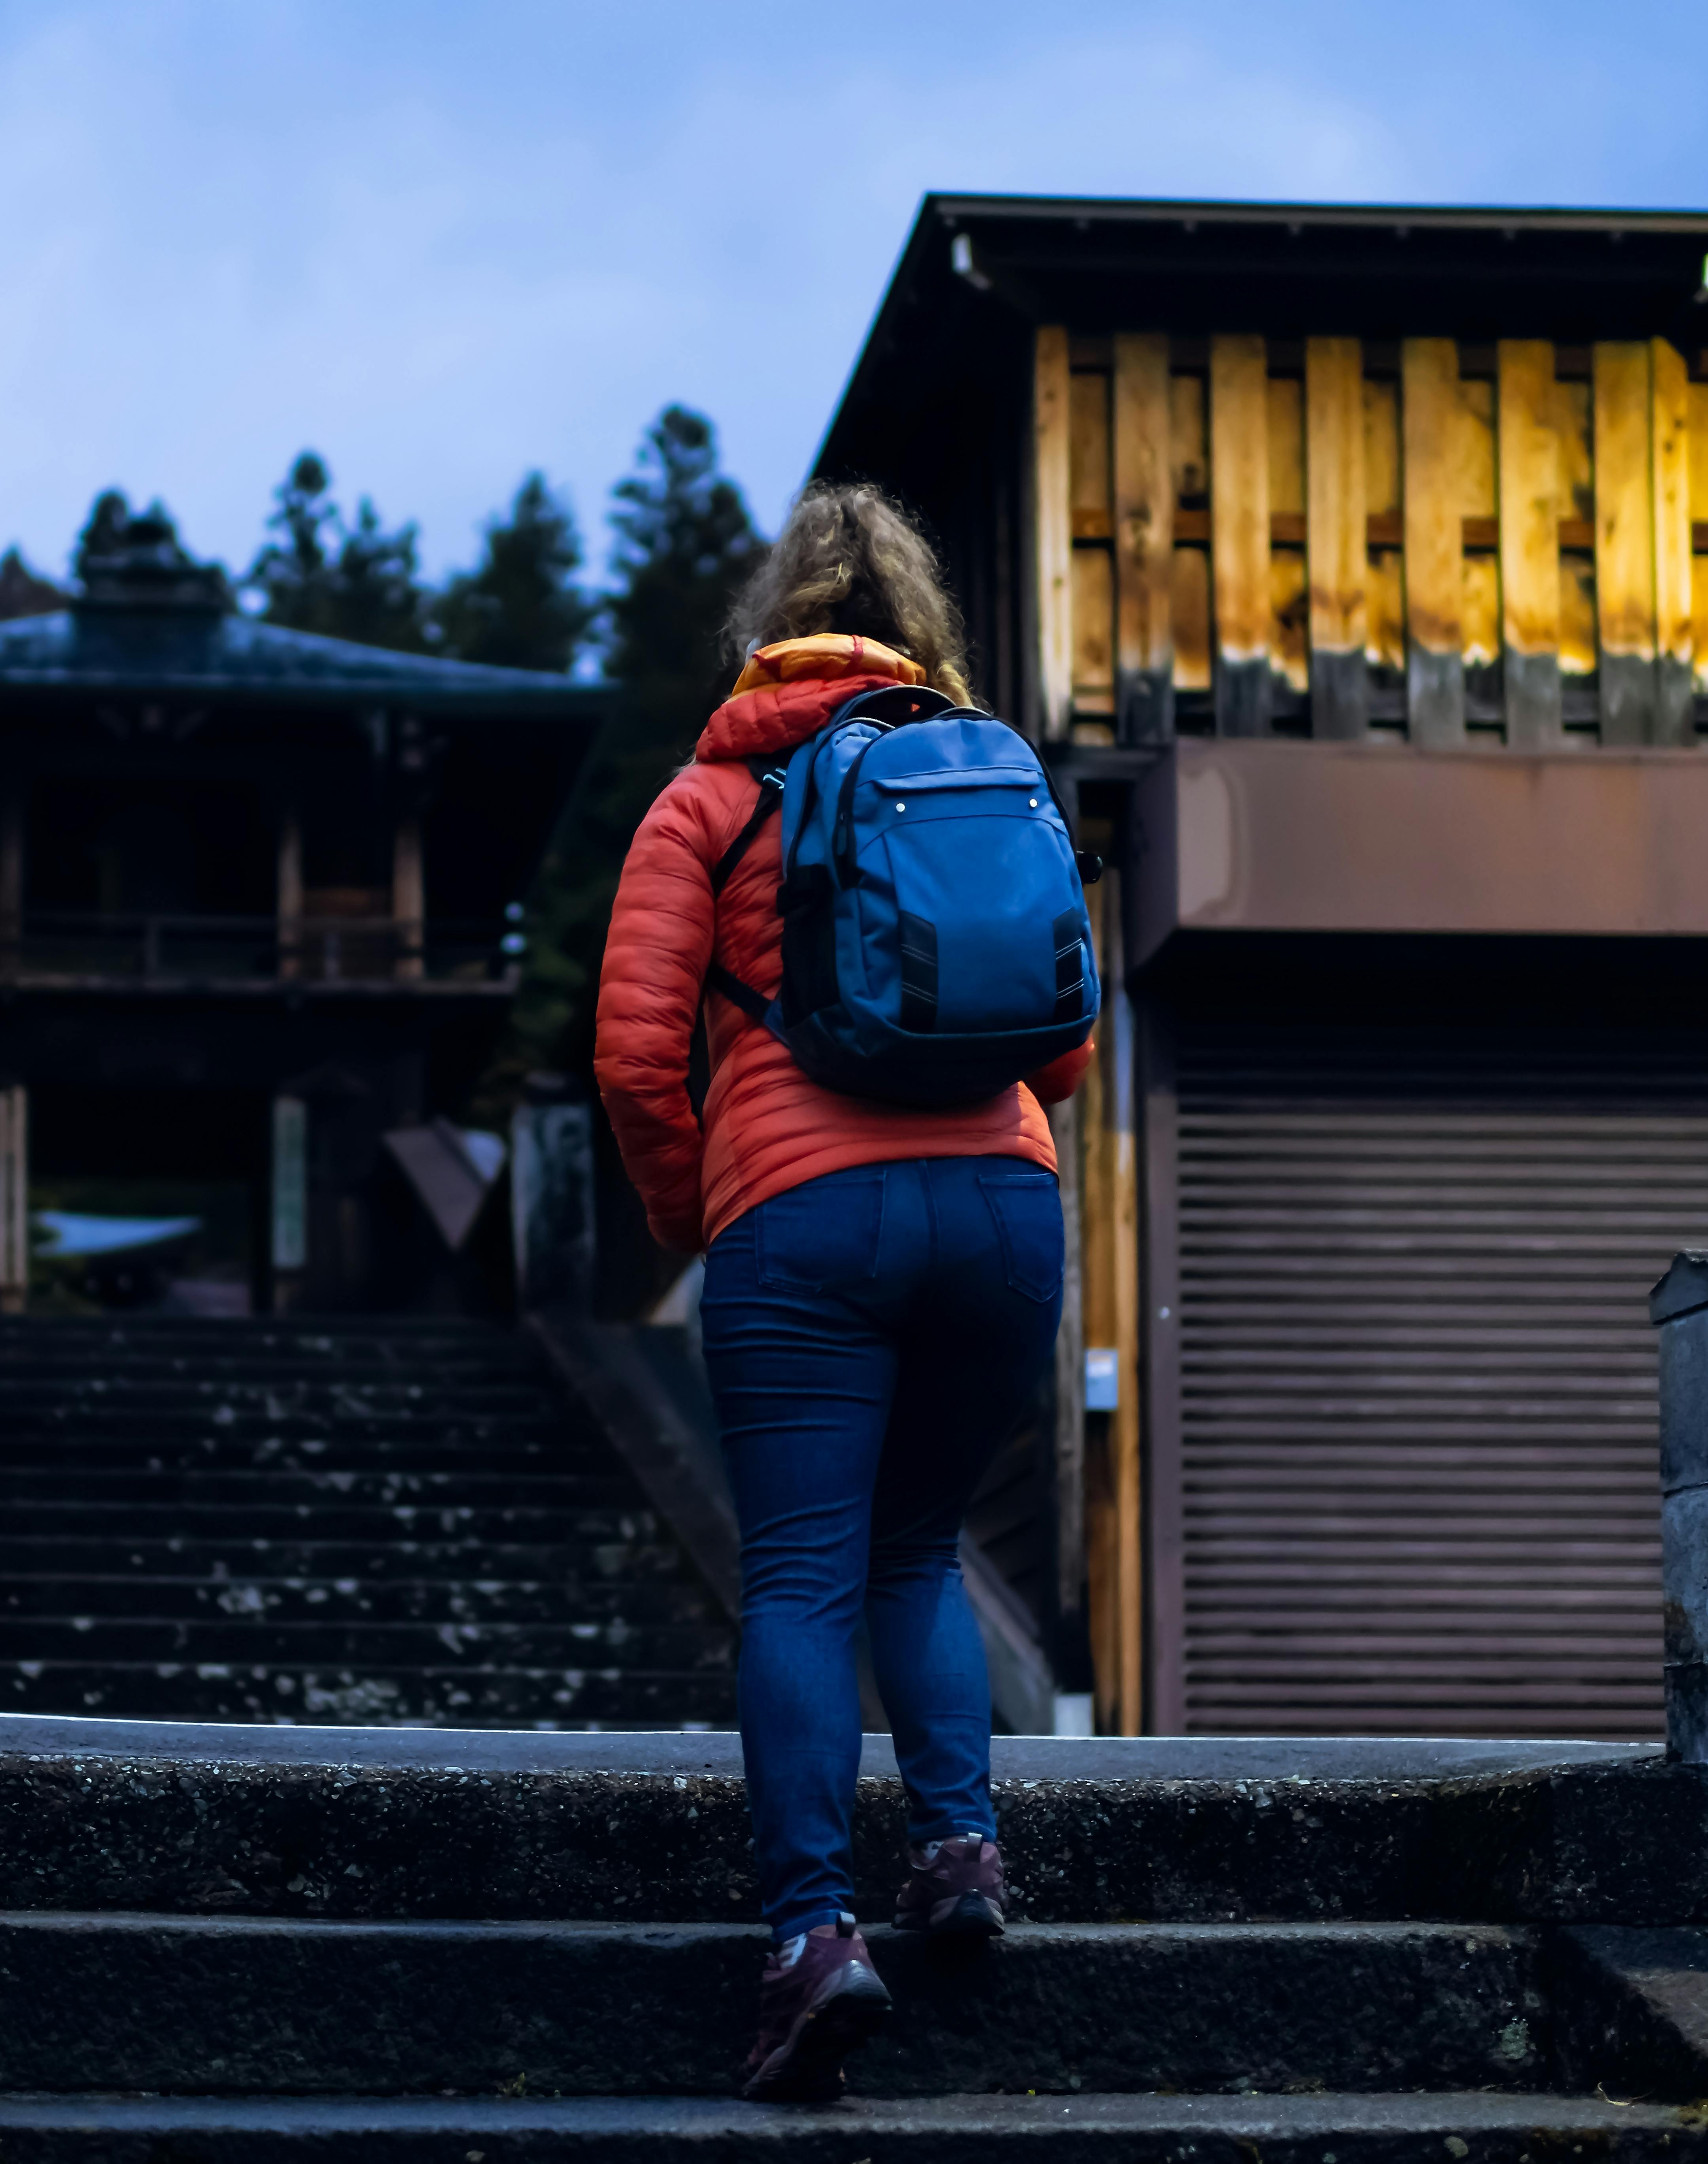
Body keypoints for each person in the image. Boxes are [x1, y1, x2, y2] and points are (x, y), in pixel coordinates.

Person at [592, 481, 1091, 2101]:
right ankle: (955, 1853)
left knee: (802, 1574)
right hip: (1003, 1206)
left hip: (799, 1217)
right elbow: (1066, 1043)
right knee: (918, 1543)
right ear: (915, 631)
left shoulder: (707, 797)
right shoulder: (979, 769)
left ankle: (813, 1939)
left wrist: (699, 1208)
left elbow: (630, 1052)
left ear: (768, 627)